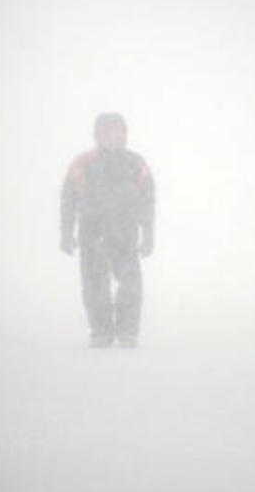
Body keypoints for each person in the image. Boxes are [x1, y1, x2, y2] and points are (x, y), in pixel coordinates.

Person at [60, 113, 155, 348]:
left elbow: (148, 200)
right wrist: (66, 232)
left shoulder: (136, 164)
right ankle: (101, 331)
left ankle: (127, 331)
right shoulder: (82, 164)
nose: (112, 137)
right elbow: (68, 200)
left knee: (130, 284)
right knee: (94, 284)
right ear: (97, 135)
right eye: (106, 132)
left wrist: (148, 233)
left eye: (117, 132)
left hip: (125, 233)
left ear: (125, 134)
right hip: (92, 234)